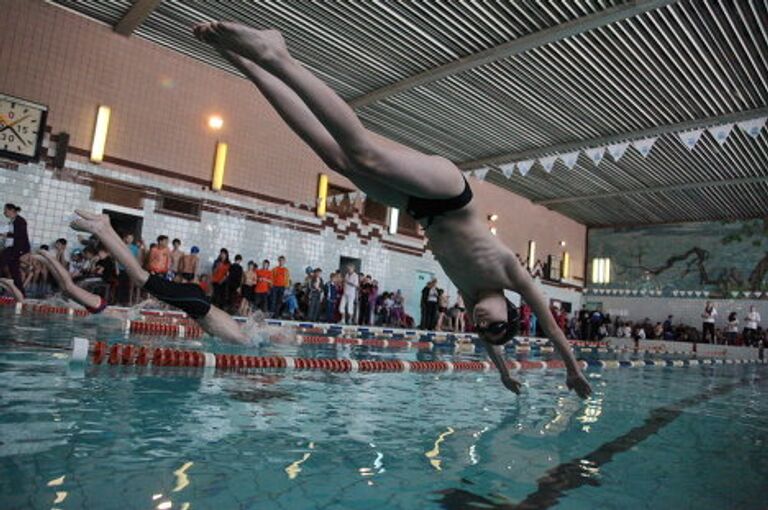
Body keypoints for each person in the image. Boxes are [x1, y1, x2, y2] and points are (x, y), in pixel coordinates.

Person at [191, 22, 590, 398]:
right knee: (364, 154)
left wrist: (503, 371)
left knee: (338, 160)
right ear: (511, 308)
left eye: (484, 329)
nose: (485, 323)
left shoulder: (470, 296)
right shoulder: (512, 274)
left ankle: (248, 64)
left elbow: (491, 341)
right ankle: (276, 54)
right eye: (497, 323)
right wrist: (572, 369)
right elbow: (553, 328)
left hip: (419, 207)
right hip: (451, 194)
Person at [68, 210, 248, 343]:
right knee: (139, 276)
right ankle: (101, 229)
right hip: (196, 303)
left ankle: (105, 227)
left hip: (196, 300)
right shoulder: (241, 339)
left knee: (140, 274)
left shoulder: (237, 330)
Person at [0, 203, 30, 297]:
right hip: (13, 249)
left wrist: (6, 235)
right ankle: (22, 295)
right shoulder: (13, 221)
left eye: (5, 210)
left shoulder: (20, 221)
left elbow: (20, 236)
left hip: (16, 249)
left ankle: (3, 290)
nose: (4, 212)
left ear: (11, 210)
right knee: (15, 273)